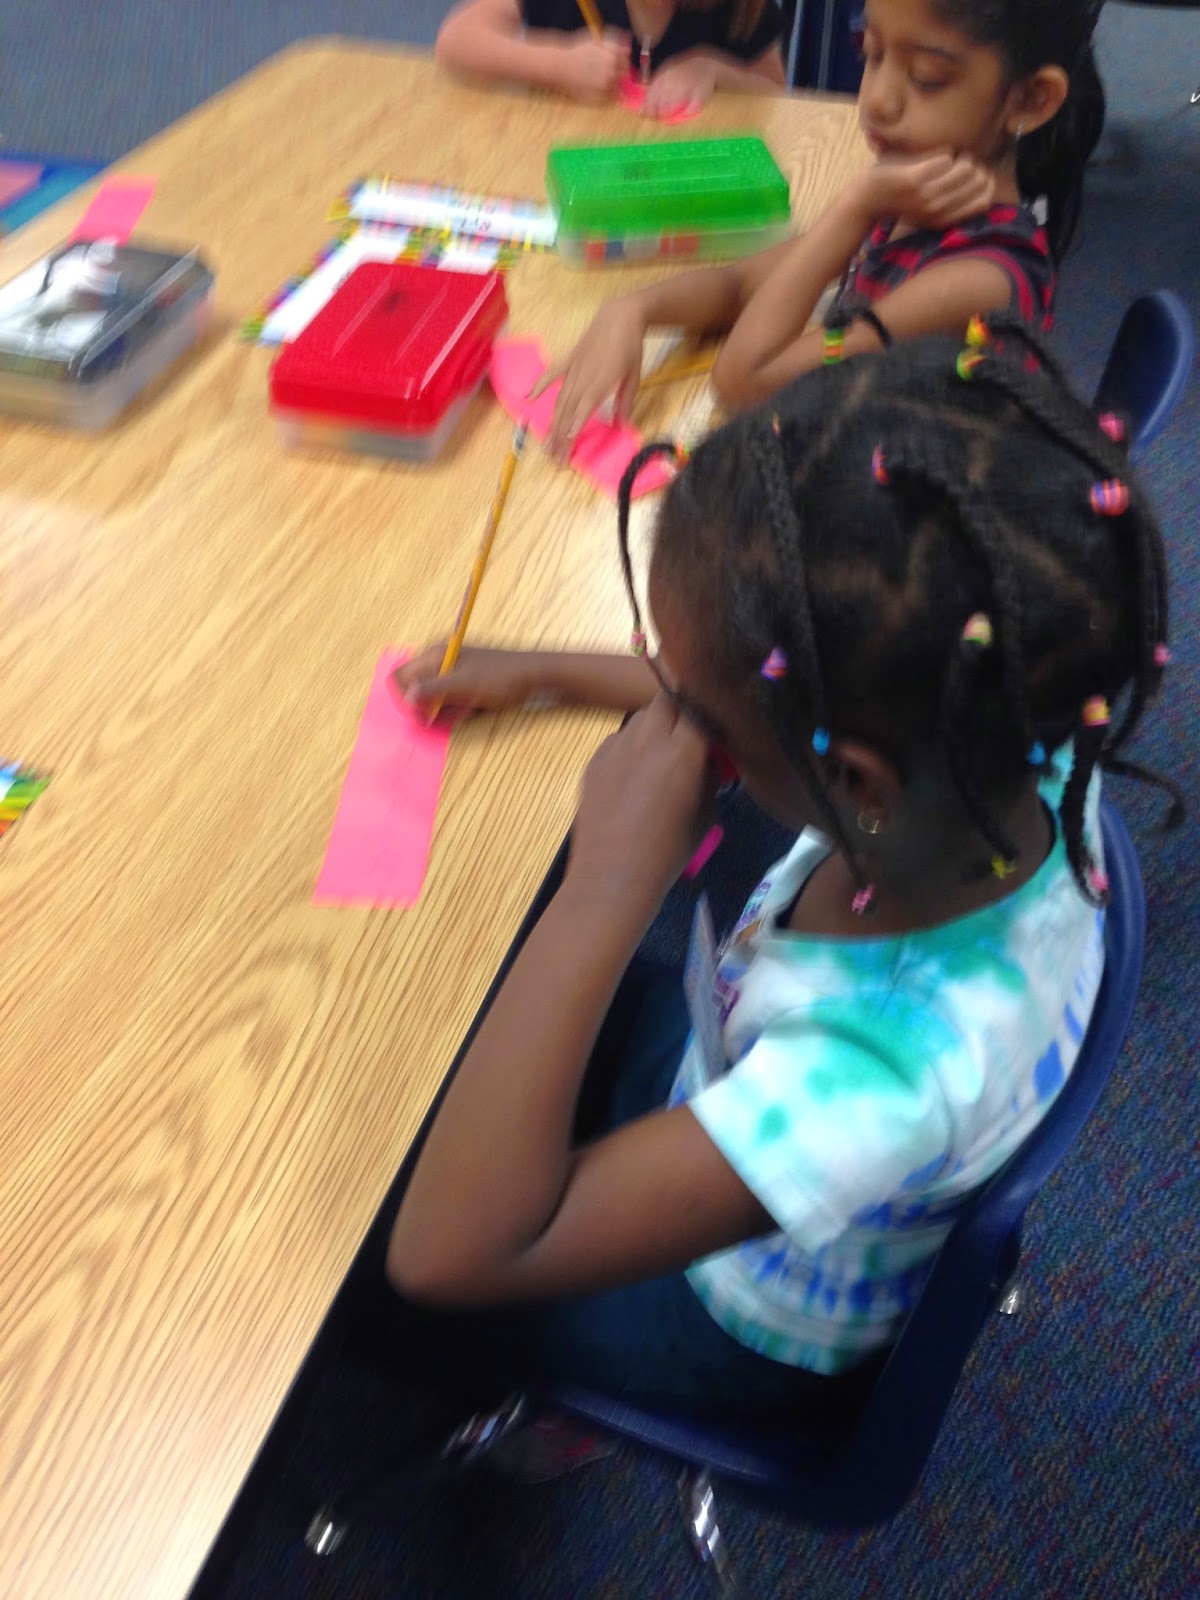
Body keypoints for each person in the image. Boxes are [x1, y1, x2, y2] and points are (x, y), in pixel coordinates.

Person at [383, 319, 1176, 1416]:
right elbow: (769, 686)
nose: (674, 711)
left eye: (694, 710)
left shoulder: (882, 1073)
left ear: (854, 781)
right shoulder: (1003, 750)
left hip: (729, 1305)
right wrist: (541, 671)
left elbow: (450, 1253)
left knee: (368, 1233)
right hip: (730, 1051)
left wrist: (604, 891)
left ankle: (562, 1426)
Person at [538, 0, 1107, 452]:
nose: (876, 100)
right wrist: (633, 309)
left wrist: (854, 208)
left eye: (927, 77)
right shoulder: (915, 195)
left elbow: (744, 382)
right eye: (871, 53)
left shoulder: (978, 282)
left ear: (1031, 99)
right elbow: (742, 282)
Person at [435, 0, 786, 115]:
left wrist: (713, 68)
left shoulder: (737, 8)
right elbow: (456, 40)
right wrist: (557, 65)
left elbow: (777, 94)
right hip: (565, 173)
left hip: (688, 190)